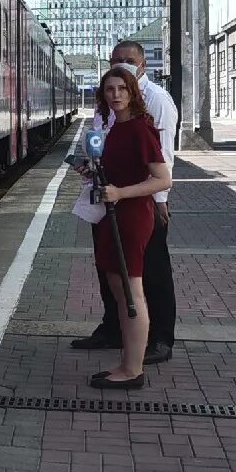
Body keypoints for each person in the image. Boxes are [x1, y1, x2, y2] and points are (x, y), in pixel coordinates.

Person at [71, 41, 180, 362]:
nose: (122, 66)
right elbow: (102, 146)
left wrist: (160, 200)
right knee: (110, 270)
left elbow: (163, 159)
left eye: (129, 61)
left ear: (143, 65)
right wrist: (90, 167)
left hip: (139, 204)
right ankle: (115, 330)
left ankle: (159, 340)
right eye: (117, 61)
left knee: (151, 272)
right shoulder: (109, 108)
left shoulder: (156, 101)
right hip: (106, 200)